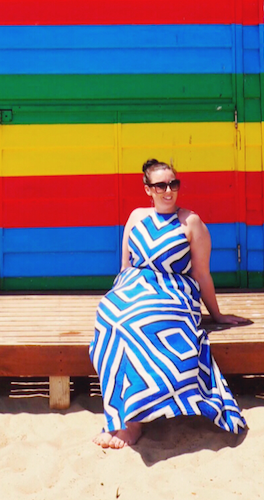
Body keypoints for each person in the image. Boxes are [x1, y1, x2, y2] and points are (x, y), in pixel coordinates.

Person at [89, 158, 249, 448]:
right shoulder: (136, 217)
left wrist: (217, 314)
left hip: (173, 291)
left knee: (140, 326)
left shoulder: (191, 223)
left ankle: (130, 423)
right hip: (134, 287)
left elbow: (202, 273)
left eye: (173, 184)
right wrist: (120, 295)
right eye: (160, 185)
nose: (168, 190)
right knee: (113, 320)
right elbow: (125, 266)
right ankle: (120, 416)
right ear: (147, 189)